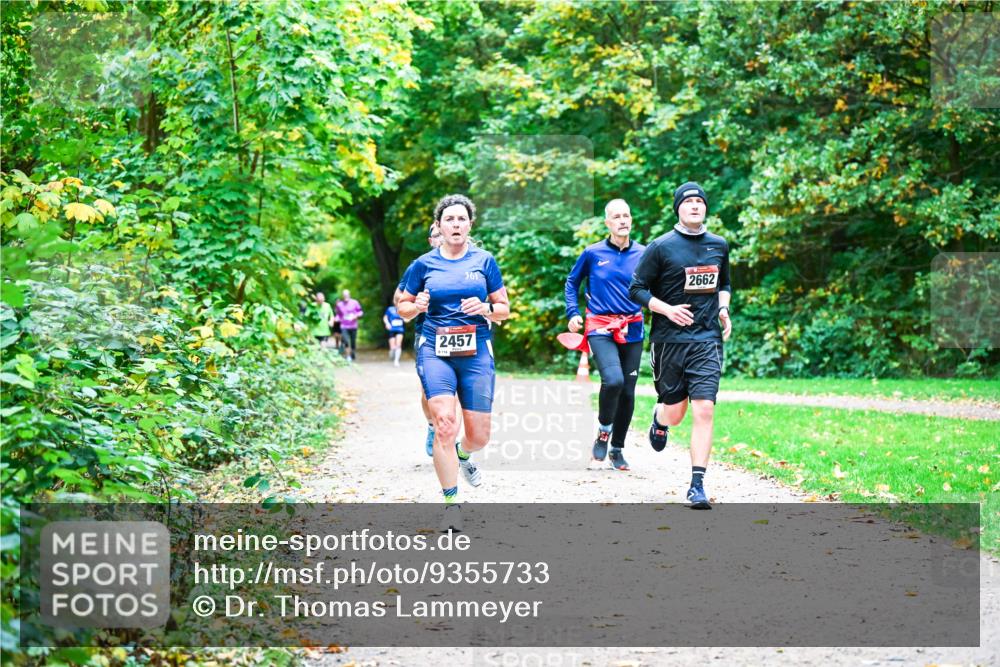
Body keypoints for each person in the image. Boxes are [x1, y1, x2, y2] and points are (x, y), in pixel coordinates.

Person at [397, 194, 510, 531]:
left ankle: (464, 455)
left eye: (462, 219)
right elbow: (402, 307)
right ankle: (451, 502)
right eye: (450, 220)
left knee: (480, 436)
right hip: (435, 348)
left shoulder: (485, 261)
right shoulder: (423, 265)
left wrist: (486, 309)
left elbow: (503, 309)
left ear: (469, 225)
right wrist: (416, 306)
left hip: (475, 351)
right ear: (440, 226)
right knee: (445, 423)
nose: (456, 225)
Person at [628, 182, 732, 509]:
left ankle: (697, 484)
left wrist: (723, 308)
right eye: (688, 202)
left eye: (700, 201)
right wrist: (666, 308)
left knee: (704, 408)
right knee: (676, 412)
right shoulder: (661, 247)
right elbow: (637, 289)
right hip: (669, 340)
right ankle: (660, 419)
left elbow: (724, 282)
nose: (695, 206)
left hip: (706, 340)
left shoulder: (719, 245)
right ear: (678, 208)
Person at [564, 199, 645, 471]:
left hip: (632, 327)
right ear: (607, 223)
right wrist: (572, 312)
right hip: (600, 326)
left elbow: (655, 288)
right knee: (613, 381)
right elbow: (572, 282)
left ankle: (617, 449)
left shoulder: (644, 254)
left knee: (629, 392)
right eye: (616, 216)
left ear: (631, 220)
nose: (623, 220)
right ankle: (603, 433)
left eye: (626, 215)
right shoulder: (593, 253)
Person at [395, 223, 448, 457]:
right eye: (436, 235)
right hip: (426, 332)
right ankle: (431, 426)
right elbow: (399, 297)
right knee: (430, 389)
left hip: (461, 333)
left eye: (443, 234)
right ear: (430, 240)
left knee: (455, 388)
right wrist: (417, 304)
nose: (441, 238)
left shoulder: (467, 262)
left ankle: (448, 434)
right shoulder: (420, 265)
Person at [335, 289, 363, 362]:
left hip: (353, 325)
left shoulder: (355, 302)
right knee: (346, 340)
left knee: (353, 342)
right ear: (342, 296)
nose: (345, 297)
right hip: (344, 326)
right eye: (344, 295)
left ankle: (352, 352)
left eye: (347, 295)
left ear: (349, 295)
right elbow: (338, 315)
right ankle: (348, 356)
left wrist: (356, 316)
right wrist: (335, 319)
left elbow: (360, 312)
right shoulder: (339, 304)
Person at [383, 302, 405, 367]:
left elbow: (407, 319)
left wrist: (406, 319)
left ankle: (396, 361)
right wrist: (387, 323)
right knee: (392, 347)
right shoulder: (390, 309)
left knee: (398, 344)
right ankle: (392, 354)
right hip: (392, 329)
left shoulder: (403, 309)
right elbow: (385, 317)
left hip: (400, 330)